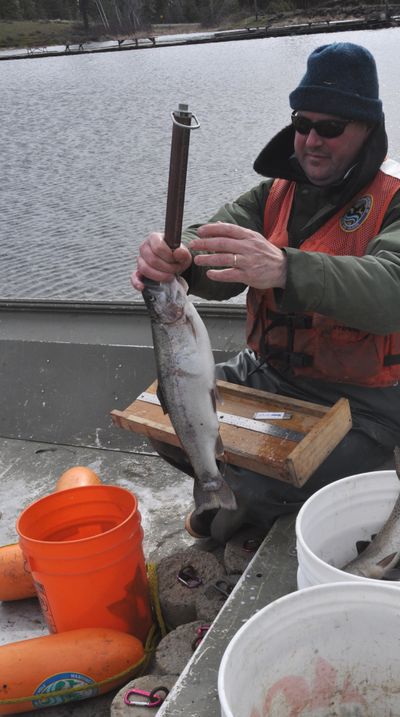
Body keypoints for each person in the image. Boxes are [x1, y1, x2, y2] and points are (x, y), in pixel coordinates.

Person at [132, 42, 400, 544]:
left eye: (332, 127)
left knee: (258, 489)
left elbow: (393, 290)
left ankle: (242, 515)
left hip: (368, 399)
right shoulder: (274, 193)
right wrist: (180, 261)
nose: (312, 140)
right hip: (269, 373)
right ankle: (240, 501)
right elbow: (208, 239)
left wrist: (284, 268)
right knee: (162, 422)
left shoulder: (395, 199)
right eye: (303, 123)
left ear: (368, 131)